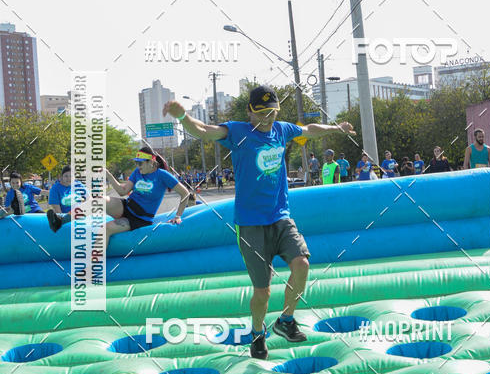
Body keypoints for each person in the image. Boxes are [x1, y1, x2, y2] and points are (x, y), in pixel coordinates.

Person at [163, 84, 355, 359]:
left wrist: (337, 128)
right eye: (262, 113)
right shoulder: (238, 132)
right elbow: (204, 130)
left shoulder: (282, 130)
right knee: (262, 291)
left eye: (272, 112)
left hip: (280, 217)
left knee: (302, 264)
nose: (268, 118)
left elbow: (309, 129)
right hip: (250, 224)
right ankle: (257, 333)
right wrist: (183, 116)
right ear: (250, 112)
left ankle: (286, 320)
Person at [47, 147, 189, 248]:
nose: (137, 166)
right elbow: (123, 191)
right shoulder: (137, 172)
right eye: (136, 163)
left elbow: (185, 194)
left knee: (104, 229)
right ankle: (60, 221)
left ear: (150, 162)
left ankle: (91, 269)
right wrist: (108, 175)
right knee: (98, 201)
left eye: (140, 163)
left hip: (140, 219)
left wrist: (178, 216)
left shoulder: (162, 175)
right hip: (127, 206)